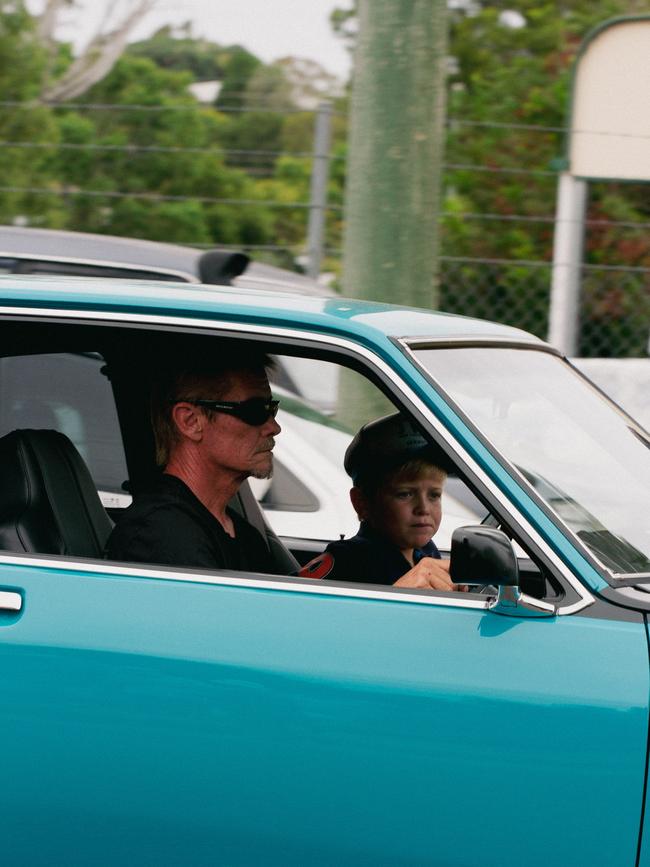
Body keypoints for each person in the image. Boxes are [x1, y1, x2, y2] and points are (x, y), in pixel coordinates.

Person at [105, 350, 284, 573]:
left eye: (271, 408)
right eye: (255, 411)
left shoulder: (244, 535)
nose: (274, 428)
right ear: (190, 421)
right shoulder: (161, 533)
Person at [299, 412, 466, 591]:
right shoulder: (346, 562)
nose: (423, 508)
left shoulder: (426, 552)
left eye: (434, 495)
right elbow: (294, 610)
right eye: (405, 494)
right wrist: (399, 592)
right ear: (361, 502)